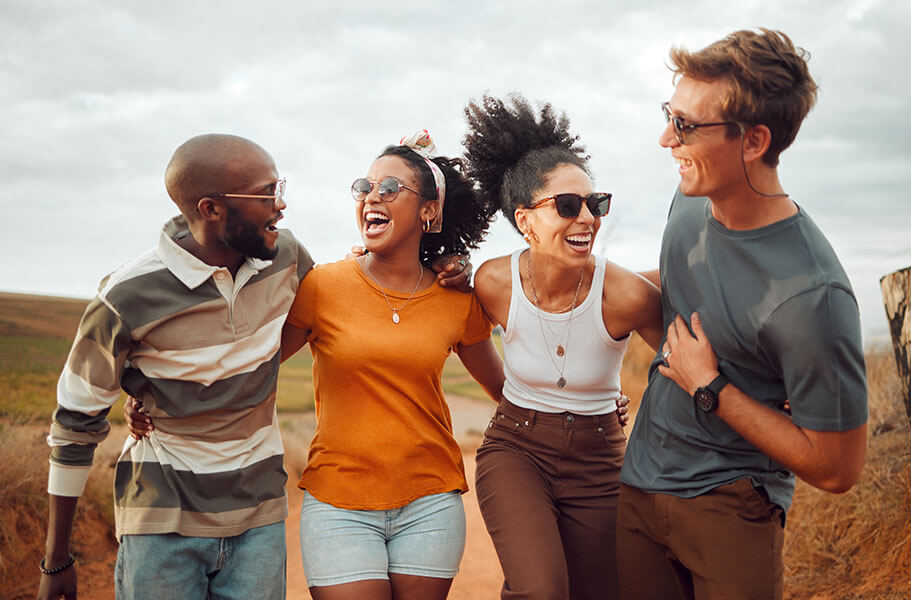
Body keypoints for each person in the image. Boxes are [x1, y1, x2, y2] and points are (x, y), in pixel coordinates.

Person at [617, 29, 868, 600]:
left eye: (685, 126)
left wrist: (711, 387)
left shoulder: (813, 296)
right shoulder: (688, 200)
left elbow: (837, 468)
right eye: (669, 115)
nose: (665, 139)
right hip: (637, 490)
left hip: (730, 506)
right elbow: (685, 300)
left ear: (753, 141)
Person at [38, 133, 315, 599]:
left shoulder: (287, 259)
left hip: (260, 519)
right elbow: (74, 423)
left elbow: (339, 307)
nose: (281, 206)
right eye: (267, 193)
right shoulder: (125, 296)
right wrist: (56, 558)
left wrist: (445, 263)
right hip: (159, 523)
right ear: (211, 209)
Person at [277, 131, 505, 600]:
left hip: (430, 501)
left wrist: (597, 401)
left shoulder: (457, 298)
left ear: (429, 211)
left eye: (390, 188)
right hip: (338, 500)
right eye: (365, 187)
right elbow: (256, 367)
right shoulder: (323, 285)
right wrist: (160, 393)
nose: (371, 197)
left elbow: (506, 389)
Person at [461, 94, 663, 599]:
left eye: (596, 204)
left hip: (601, 461)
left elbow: (685, 360)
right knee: (542, 590)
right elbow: (460, 338)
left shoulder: (627, 295)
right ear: (524, 219)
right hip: (516, 451)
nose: (588, 219)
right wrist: (517, 402)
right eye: (568, 206)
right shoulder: (493, 283)